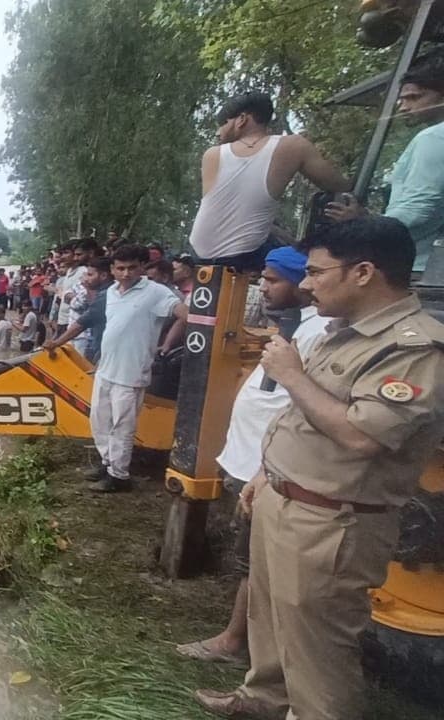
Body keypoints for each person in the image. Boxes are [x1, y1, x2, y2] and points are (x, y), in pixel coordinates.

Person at [195, 216, 444, 720]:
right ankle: (263, 699)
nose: (306, 284)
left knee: (318, 651)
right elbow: (304, 416)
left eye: (316, 272)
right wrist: (269, 474)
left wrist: (290, 374)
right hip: (286, 499)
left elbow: (360, 435)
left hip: (333, 521)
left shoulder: (412, 348)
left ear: (364, 272)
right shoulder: (344, 332)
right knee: (271, 620)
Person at [175, 246, 328, 669]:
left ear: (302, 283)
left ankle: (236, 642)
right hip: (252, 464)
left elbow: (302, 407)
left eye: (274, 279)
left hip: (270, 469)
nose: (263, 286)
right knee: (250, 558)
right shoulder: (295, 326)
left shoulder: (318, 334)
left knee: (255, 562)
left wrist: (266, 466)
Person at [188, 91, 350, 266]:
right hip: (246, 257)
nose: (219, 132)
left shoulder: (212, 155)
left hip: (198, 254)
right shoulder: (293, 146)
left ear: (242, 119)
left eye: (223, 123)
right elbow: (337, 184)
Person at [324, 50, 444, 276]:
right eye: (401, 99)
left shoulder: (433, 137)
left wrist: (364, 223)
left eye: (415, 97)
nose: (403, 107)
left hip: (418, 266)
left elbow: (419, 209)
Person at [85, 244, 187, 492]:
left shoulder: (156, 292)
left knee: (122, 426)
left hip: (131, 373)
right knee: (99, 420)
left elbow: (183, 314)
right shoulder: (110, 292)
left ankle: (119, 476)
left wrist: (188, 334)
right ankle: (107, 462)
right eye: (120, 268)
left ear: (142, 267)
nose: (126, 273)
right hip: (106, 368)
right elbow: (113, 328)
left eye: (132, 268)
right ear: (112, 269)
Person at [43, 257, 114, 363]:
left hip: (103, 346)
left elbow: (82, 322)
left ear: (103, 276)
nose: (85, 279)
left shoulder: (105, 295)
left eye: (90, 275)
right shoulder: (110, 290)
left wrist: (56, 343)